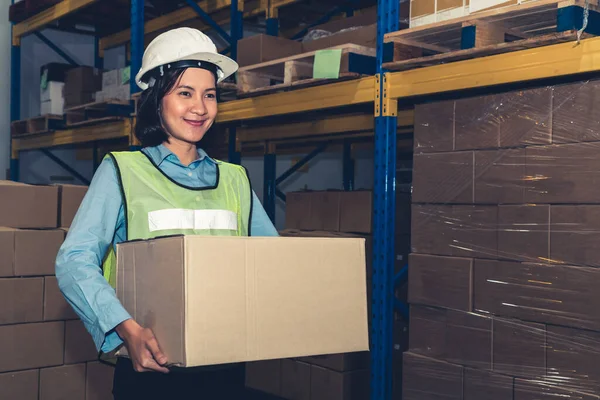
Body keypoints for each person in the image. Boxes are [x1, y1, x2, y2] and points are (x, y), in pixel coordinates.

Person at [55, 27, 278, 399]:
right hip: (150, 368)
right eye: (185, 93)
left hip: (225, 367)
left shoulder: (235, 179)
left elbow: (271, 260)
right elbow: (74, 260)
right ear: (157, 99)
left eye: (209, 95)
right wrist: (126, 328)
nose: (200, 108)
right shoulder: (122, 172)